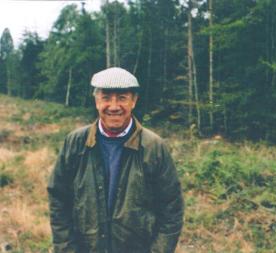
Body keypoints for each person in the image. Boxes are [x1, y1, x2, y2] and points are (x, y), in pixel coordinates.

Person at [47, 67, 184, 253]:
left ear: (134, 101)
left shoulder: (154, 147)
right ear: (96, 101)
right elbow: (59, 200)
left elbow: (172, 210)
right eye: (106, 97)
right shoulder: (75, 143)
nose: (113, 106)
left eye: (122, 98)